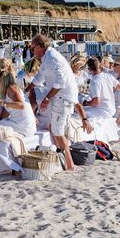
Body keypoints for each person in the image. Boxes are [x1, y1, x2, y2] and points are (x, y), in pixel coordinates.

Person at [29, 34, 78, 171]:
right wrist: (27, 88)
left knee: (57, 131)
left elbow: (60, 82)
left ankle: (70, 164)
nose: (32, 51)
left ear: (39, 47)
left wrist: (46, 99)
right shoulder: (48, 58)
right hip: (64, 97)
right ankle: (65, 160)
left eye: (33, 48)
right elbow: (39, 78)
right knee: (56, 129)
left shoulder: (51, 58)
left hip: (63, 97)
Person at [0, 70, 36, 138]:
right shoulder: (10, 90)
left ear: (2, 82)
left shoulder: (11, 89)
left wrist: (1, 103)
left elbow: (21, 105)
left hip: (22, 126)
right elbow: (6, 113)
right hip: (25, 125)